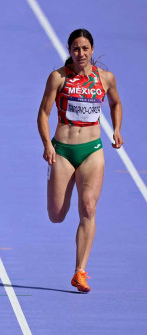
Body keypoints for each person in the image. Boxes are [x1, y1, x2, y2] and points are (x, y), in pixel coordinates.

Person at [36, 29, 123, 292]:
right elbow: (43, 113)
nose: (80, 54)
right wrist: (47, 144)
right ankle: (63, 182)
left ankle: (80, 271)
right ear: (69, 50)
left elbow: (116, 104)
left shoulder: (104, 78)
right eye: (75, 49)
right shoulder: (58, 78)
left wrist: (117, 129)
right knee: (57, 215)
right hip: (62, 151)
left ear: (92, 50)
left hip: (92, 151)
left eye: (85, 49)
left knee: (88, 208)